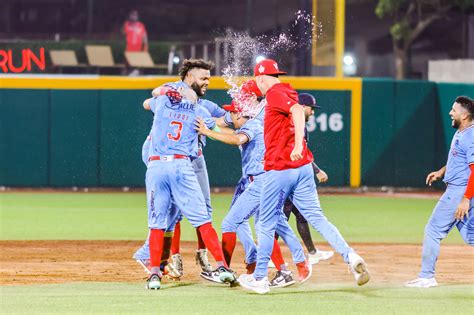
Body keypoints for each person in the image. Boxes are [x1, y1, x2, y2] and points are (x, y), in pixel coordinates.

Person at [238, 59, 370, 294]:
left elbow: (297, 111)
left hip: (281, 169)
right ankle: (350, 256)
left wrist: (298, 143)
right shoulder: (288, 90)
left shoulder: (276, 94)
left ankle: (259, 279)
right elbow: (294, 111)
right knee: (318, 218)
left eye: (258, 80)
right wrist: (297, 146)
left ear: (260, 78)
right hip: (303, 168)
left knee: (266, 223)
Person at [195, 80, 310, 288]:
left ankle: (225, 270)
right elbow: (224, 124)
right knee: (273, 224)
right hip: (269, 178)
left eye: (233, 113)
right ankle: (292, 268)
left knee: (231, 223)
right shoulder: (259, 119)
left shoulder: (254, 124)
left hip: (261, 181)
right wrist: (200, 116)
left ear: (241, 112)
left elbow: (237, 139)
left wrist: (207, 132)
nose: (230, 116)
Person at [133, 59, 227, 277]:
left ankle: (167, 261)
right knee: (170, 212)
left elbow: (223, 118)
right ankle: (160, 258)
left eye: (208, 78)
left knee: (185, 210)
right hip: (163, 154)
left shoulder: (200, 103)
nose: (207, 82)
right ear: (189, 77)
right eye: (203, 78)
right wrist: (165, 91)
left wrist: (240, 113)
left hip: (186, 157)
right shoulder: (172, 91)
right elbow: (150, 100)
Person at [141, 88, 236, 290]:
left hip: (156, 166)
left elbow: (146, 102)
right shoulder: (198, 111)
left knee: (157, 223)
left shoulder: (162, 103)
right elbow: (219, 130)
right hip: (181, 166)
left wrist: (164, 92)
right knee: (203, 220)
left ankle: (155, 275)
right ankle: (222, 267)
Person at [405, 96, 474, 288]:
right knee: (472, 237)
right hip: (463, 191)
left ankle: (426, 277)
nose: (450, 113)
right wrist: (441, 172)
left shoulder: (470, 136)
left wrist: (465, 199)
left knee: (433, 230)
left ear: (465, 115)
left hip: (459, 193)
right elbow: (458, 160)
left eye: (454, 110)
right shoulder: (463, 132)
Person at [271, 93, 334, 267]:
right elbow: (299, 154)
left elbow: (302, 153)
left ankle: (312, 252)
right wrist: (317, 171)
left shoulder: (297, 124)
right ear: (302, 107)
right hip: (287, 175)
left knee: (299, 215)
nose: (313, 112)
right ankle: (270, 255)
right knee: (280, 216)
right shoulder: (291, 124)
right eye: (311, 108)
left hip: (292, 175)